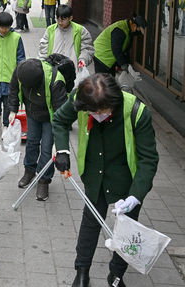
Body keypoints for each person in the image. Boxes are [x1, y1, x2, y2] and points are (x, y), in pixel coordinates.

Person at [52, 73, 159, 287]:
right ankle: (82, 271)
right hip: (94, 173)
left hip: (126, 177)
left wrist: (135, 196)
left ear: (113, 102)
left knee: (126, 230)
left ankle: (116, 275)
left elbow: (149, 159)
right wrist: (62, 150)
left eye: (101, 111)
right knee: (91, 222)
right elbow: (59, 120)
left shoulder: (137, 112)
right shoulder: (81, 99)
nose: (96, 115)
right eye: (92, 111)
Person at [8, 57, 70, 201]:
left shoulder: (55, 81)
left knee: (47, 149)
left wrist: (59, 143)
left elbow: (62, 113)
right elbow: (13, 89)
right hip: (32, 112)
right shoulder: (21, 70)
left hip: (50, 117)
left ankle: (44, 180)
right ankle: (29, 171)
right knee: (31, 142)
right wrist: (12, 110)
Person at [39, 4, 94, 72]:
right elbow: (43, 50)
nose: (60, 22)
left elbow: (87, 49)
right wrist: (43, 65)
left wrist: (83, 60)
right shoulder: (50, 30)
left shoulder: (80, 30)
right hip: (54, 71)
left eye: (63, 20)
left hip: (73, 71)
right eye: (58, 19)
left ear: (70, 18)